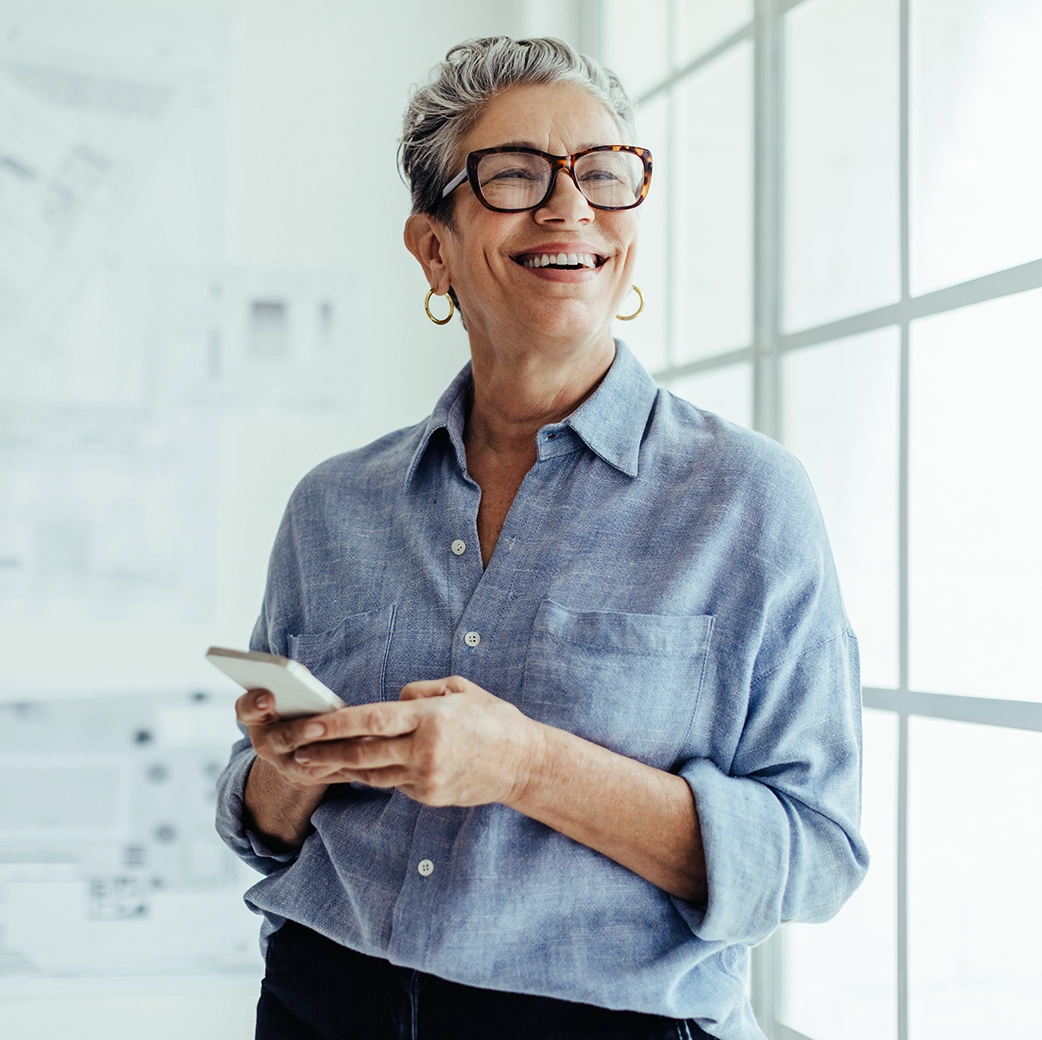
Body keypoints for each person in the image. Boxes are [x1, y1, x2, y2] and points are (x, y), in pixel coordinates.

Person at [215, 36, 868, 1040]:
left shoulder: (746, 499)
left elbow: (812, 854)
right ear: (432, 246)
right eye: (514, 175)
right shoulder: (330, 507)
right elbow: (263, 824)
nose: (569, 208)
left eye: (602, 174)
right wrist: (290, 768)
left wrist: (525, 765)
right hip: (320, 1000)